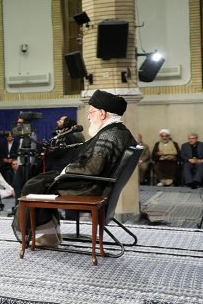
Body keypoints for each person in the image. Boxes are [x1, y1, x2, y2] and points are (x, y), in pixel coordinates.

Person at [11, 90, 137, 246]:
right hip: (97, 184)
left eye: (91, 112)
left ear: (103, 113)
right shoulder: (118, 132)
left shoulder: (109, 136)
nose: (88, 117)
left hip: (89, 187)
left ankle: (34, 232)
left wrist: (65, 172)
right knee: (42, 181)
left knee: (35, 185)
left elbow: (92, 169)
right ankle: (49, 234)